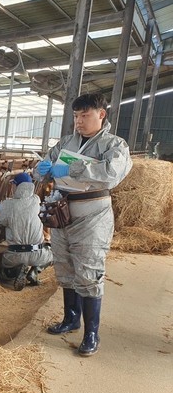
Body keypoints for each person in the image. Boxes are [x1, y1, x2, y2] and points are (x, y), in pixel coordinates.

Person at [34, 93, 132, 356]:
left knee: (88, 272)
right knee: (65, 269)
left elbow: (112, 174)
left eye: (85, 115)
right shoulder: (66, 142)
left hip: (92, 215)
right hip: (62, 211)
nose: (78, 121)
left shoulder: (115, 145)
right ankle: (70, 319)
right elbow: (42, 164)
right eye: (76, 116)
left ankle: (91, 334)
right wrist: (40, 169)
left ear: (101, 114)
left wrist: (72, 169)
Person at [0, 172, 53, 291]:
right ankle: (35, 271)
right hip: (38, 253)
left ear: (17, 187)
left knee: (3, 274)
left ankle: (16, 271)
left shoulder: (7, 205)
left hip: (14, 255)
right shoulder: (36, 201)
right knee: (53, 256)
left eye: (14, 185)